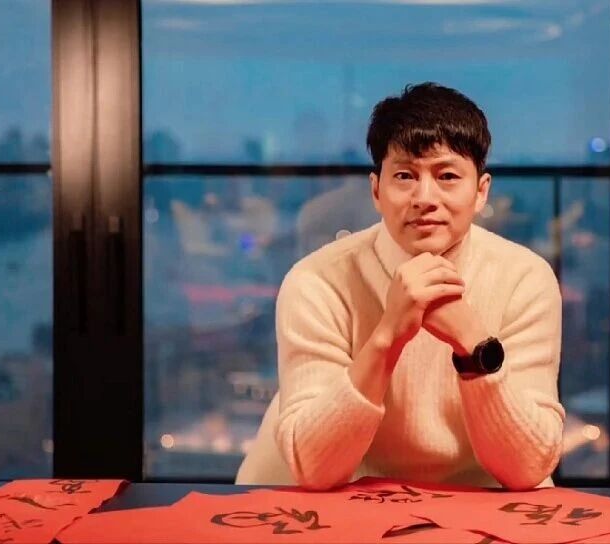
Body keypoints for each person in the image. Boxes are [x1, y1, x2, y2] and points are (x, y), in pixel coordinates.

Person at [236, 82, 564, 490]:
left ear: (481, 192)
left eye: (447, 176)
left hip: (485, 500)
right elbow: (315, 470)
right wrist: (388, 336)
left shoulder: (524, 278)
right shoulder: (317, 280)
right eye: (405, 175)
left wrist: (473, 343)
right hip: (350, 501)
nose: (425, 197)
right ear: (376, 190)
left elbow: (529, 469)